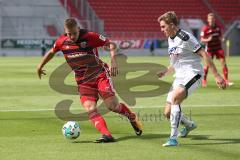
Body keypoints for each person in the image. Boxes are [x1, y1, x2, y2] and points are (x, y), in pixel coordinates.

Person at [37, 18, 142, 143]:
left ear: (78, 29)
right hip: (83, 81)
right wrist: (40, 66)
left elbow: (110, 44)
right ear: (65, 31)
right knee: (90, 108)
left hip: (100, 75)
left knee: (112, 106)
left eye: (74, 33)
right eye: (68, 34)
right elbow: (52, 51)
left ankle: (132, 117)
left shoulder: (90, 36)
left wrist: (113, 60)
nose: (71, 36)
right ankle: (107, 135)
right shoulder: (62, 41)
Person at [157, 11, 226, 147]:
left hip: (193, 74)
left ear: (171, 25)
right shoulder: (170, 39)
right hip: (180, 76)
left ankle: (173, 138)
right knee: (167, 113)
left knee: (176, 98)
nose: (161, 30)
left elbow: (204, 54)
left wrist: (217, 75)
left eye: (163, 26)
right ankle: (189, 125)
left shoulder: (185, 37)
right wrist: (166, 71)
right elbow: (176, 61)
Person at [200, 13, 233, 87]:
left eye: (213, 19)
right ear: (208, 20)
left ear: (214, 19)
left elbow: (220, 37)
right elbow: (201, 39)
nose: (211, 20)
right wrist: (208, 39)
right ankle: (204, 80)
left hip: (218, 48)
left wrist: (223, 39)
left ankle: (226, 80)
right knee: (207, 65)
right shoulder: (205, 28)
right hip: (209, 49)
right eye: (210, 19)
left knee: (223, 63)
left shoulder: (218, 28)